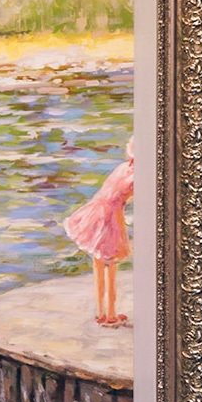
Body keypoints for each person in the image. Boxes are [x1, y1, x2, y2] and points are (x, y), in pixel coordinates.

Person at [63, 137, 135, 327]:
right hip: (110, 215)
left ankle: (100, 312)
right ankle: (110, 314)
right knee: (111, 265)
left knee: (98, 262)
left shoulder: (121, 168)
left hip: (95, 210)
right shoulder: (137, 176)